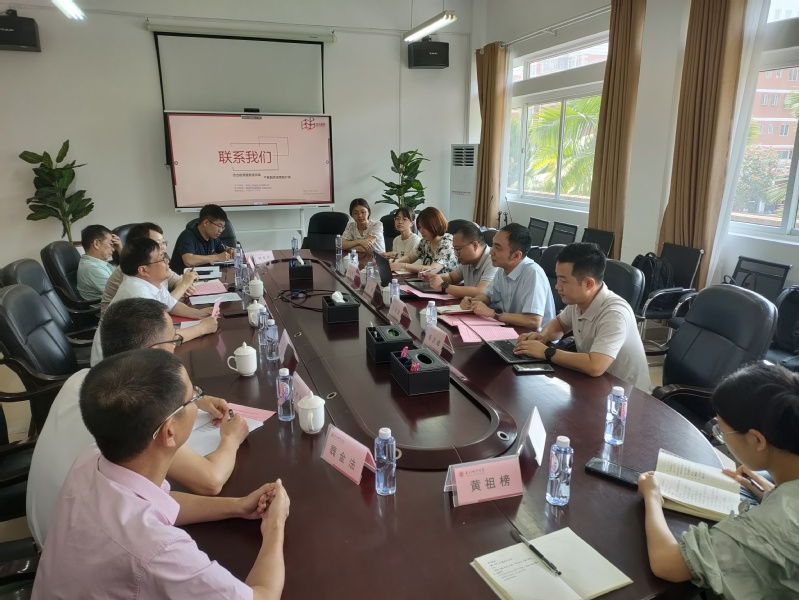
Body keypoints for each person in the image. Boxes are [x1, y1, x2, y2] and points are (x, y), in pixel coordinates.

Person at [32, 349, 289, 599]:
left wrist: (237, 506)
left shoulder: (90, 458)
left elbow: (159, 504)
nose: (198, 402)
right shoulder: (158, 551)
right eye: (193, 398)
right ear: (169, 432)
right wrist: (275, 524)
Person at [27, 298, 250, 549]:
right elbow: (210, 480)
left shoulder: (85, 382)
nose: (176, 348)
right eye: (174, 340)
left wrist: (192, 399)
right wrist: (231, 438)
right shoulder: (133, 414)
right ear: (155, 352)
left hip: (55, 525)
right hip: (75, 548)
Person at [638, 362, 799, 599]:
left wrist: (652, 497)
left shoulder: (773, 524)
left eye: (722, 432)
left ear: (757, 440)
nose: (722, 437)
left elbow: (667, 564)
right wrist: (772, 494)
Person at [513, 243, 650, 391]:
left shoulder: (615, 313)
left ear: (588, 284)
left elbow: (595, 366)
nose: (557, 286)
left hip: (626, 395)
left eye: (564, 280)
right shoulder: (579, 300)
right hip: (596, 384)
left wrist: (546, 352)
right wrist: (543, 336)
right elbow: (560, 324)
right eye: (557, 278)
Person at [90, 237, 218, 365]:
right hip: (114, 366)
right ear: (143, 270)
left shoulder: (148, 281)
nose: (167, 261)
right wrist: (202, 328)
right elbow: (163, 340)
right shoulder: (138, 294)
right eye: (161, 258)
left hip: (136, 354)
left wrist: (198, 314)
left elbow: (169, 303)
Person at [459, 223, 555, 330]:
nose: (491, 252)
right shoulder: (503, 268)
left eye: (498, 248)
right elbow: (488, 296)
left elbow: (534, 321)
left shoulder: (533, 273)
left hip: (535, 336)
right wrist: (473, 302)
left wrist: (493, 313)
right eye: (492, 245)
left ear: (516, 255)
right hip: (511, 329)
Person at [101, 222, 197, 314]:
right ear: (141, 245)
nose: (163, 248)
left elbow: (167, 299)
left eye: (163, 242)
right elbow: (160, 309)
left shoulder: (156, 265)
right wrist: (184, 285)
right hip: (125, 321)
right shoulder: (133, 272)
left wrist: (198, 312)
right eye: (157, 243)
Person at [421, 221, 497, 299]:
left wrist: (444, 286)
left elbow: (480, 291)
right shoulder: (468, 260)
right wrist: (432, 278)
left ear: (475, 245)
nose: (456, 254)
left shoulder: (493, 260)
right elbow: (451, 277)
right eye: (454, 249)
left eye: (458, 249)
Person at [389, 206, 457, 274]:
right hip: (427, 279)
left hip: (444, 280)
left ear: (435, 224)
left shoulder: (447, 242)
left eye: (424, 227)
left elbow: (432, 269)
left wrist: (403, 266)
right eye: (420, 227)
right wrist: (397, 261)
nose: (421, 231)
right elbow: (410, 258)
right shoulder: (425, 241)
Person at [170, 204, 235, 274]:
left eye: (222, 227)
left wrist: (230, 250)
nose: (221, 230)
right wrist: (217, 257)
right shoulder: (187, 236)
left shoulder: (212, 238)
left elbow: (224, 248)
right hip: (182, 279)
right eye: (219, 226)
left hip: (203, 276)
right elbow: (188, 260)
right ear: (206, 223)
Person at [76, 224, 121, 301]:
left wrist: (120, 250)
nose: (113, 249)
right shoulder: (92, 268)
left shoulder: (98, 263)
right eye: (111, 244)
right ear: (97, 243)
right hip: (112, 307)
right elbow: (122, 293)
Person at [341, 198, 385, 265]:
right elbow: (341, 245)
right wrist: (359, 242)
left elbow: (365, 248)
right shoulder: (351, 226)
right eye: (355, 213)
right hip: (358, 262)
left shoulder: (377, 225)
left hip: (377, 262)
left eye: (363, 212)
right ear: (351, 214)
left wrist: (348, 246)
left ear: (368, 212)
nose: (360, 215)